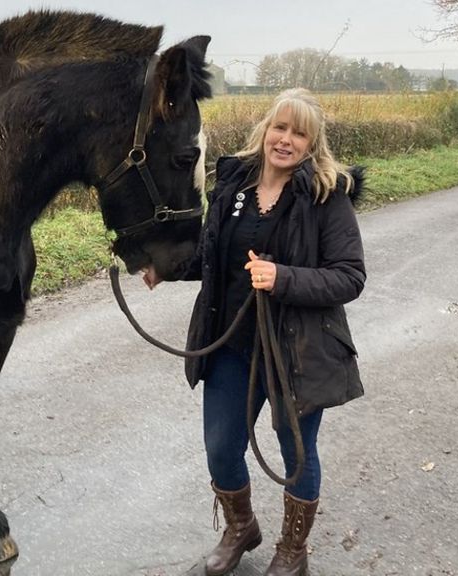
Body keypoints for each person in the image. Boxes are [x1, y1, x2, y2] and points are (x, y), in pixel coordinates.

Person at [147, 88, 365, 576]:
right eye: (280, 127)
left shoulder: (326, 196)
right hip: (230, 347)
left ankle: (293, 549)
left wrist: (282, 277)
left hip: (297, 352)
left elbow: (350, 276)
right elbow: (212, 256)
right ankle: (241, 527)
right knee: (221, 449)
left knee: (296, 455)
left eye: (299, 133)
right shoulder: (233, 186)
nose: (286, 140)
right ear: (266, 129)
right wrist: (165, 268)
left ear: (313, 144)